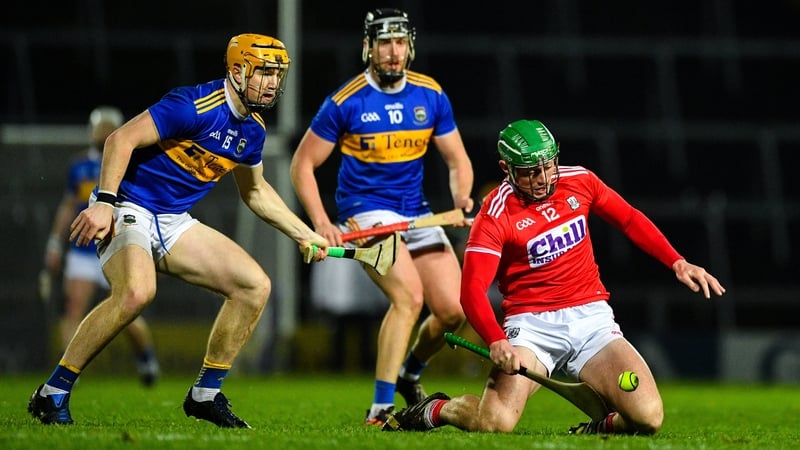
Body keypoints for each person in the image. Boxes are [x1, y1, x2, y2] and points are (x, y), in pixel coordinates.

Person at [28, 33, 329, 428]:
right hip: (128, 205)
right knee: (137, 293)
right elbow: (120, 139)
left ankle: (205, 394)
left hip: (172, 219)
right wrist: (104, 201)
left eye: (277, 74)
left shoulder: (253, 130)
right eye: (264, 72)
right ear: (238, 71)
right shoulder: (192, 105)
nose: (273, 83)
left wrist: (303, 232)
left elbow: (255, 191)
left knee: (254, 286)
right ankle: (52, 393)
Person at [383, 119, 726, 435]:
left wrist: (677, 261)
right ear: (506, 169)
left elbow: (629, 219)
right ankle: (437, 409)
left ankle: (597, 428)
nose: (543, 178)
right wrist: (496, 340)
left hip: (591, 320)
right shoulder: (494, 215)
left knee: (648, 418)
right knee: (494, 423)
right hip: (531, 328)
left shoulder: (580, 181)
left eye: (548, 166)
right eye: (531, 172)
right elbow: (471, 291)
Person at [289, 8, 474, 426]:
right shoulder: (346, 101)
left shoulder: (430, 95)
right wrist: (321, 221)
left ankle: (410, 374)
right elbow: (302, 164)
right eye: (384, 43)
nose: (393, 52)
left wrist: (461, 196)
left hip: (416, 212)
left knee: (453, 311)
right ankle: (380, 408)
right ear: (368, 47)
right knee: (408, 298)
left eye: (399, 43)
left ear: (410, 47)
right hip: (365, 211)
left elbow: (457, 159)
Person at [42, 106, 160, 387]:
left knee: (127, 307)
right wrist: (54, 243)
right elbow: (69, 205)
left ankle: (145, 357)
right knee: (74, 309)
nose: (103, 133)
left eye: (108, 127)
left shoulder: (133, 159)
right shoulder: (79, 166)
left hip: (117, 243)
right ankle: (67, 370)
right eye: (99, 128)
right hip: (84, 248)